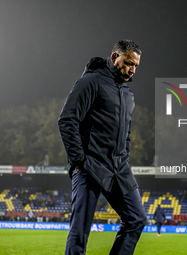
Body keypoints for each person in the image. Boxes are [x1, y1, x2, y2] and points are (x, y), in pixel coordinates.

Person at [58, 39, 147, 255]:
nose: (132, 69)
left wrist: (124, 155)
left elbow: (126, 133)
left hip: (119, 168)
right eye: (128, 63)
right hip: (90, 166)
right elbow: (67, 120)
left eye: (135, 65)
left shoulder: (128, 95)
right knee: (80, 232)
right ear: (115, 57)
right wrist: (79, 160)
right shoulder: (91, 81)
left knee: (137, 219)